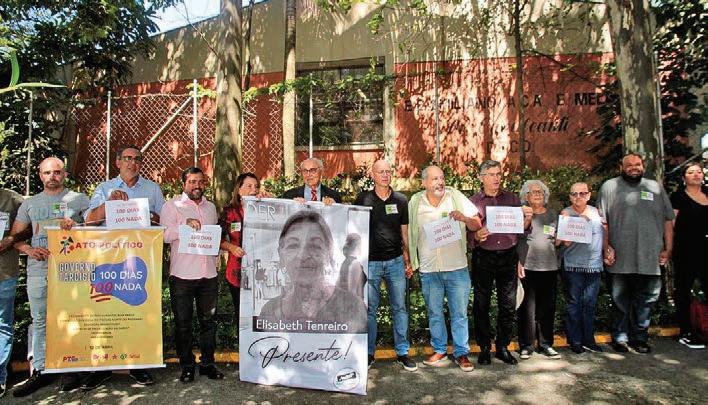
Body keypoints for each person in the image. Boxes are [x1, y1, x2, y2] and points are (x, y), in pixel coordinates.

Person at [81, 145, 164, 390]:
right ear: (117, 162)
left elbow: (164, 220)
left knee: (139, 310)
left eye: (137, 159)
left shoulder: (152, 189)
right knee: (106, 310)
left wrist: (147, 214)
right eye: (127, 158)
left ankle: (139, 365)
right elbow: (89, 221)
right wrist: (109, 203)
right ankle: (102, 368)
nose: (132, 163)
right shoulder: (104, 188)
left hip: (140, 260)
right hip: (108, 260)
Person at [10, 157, 90, 397]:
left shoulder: (79, 199)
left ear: (64, 174)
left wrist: (77, 227)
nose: (52, 177)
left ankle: (69, 369)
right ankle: (41, 370)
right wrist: (29, 250)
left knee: (72, 318)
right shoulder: (30, 203)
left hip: (71, 270)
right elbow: (15, 237)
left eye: (57, 172)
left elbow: (97, 231)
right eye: (47, 173)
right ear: (40, 175)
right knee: (40, 320)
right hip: (39, 270)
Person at [598, 153, 675, 354]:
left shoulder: (655, 188)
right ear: (621, 167)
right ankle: (620, 338)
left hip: (651, 258)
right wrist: (606, 247)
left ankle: (640, 338)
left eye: (638, 164)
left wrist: (668, 249)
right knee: (620, 301)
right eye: (629, 165)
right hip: (620, 258)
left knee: (646, 301)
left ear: (643, 166)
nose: (634, 167)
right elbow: (602, 222)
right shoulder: (609, 187)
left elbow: (668, 220)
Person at [408, 165, 481, 372]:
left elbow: (476, 224)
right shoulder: (415, 202)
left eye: (442, 178)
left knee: (459, 314)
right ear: (424, 183)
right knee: (434, 313)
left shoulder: (455, 196)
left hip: (456, 267)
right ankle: (439, 349)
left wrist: (464, 218)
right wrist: (409, 258)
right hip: (429, 269)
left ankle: (461, 353)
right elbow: (407, 231)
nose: (440, 182)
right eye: (434, 179)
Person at [161, 167, 224, 383]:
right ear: (184, 184)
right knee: (183, 324)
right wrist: (184, 226)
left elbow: (213, 236)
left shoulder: (210, 207)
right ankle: (187, 366)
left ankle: (208, 364)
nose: (197, 186)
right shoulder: (171, 206)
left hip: (208, 274)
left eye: (200, 181)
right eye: (192, 182)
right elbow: (164, 235)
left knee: (209, 322)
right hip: (182, 275)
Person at [354, 159, 416, 372]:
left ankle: (402, 352)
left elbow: (404, 232)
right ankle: (369, 353)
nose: (385, 175)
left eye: (388, 171)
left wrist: (408, 260)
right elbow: (354, 228)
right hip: (370, 263)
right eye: (381, 172)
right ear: (373, 175)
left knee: (399, 308)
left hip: (396, 262)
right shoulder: (363, 199)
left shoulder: (401, 200)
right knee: (370, 310)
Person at [259, 211, 367, 332]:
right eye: (293, 245)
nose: (303, 255)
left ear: (329, 253)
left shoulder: (353, 308)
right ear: (281, 255)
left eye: (315, 246)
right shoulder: (269, 311)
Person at [470, 160, 532, 366]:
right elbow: (467, 233)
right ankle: (484, 347)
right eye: (491, 174)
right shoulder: (474, 202)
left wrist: (527, 220)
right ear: (482, 178)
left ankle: (503, 346)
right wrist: (476, 236)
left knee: (508, 304)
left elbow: (522, 231)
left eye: (498, 174)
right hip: (484, 257)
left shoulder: (512, 199)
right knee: (481, 304)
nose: (496, 178)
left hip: (508, 256)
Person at [558, 182, 606, 354]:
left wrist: (607, 249)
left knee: (590, 304)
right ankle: (575, 340)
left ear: (589, 195)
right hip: (573, 266)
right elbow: (564, 242)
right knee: (574, 303)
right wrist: (578, 224)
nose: (578, 197)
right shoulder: (565, 213)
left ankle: (589, 340)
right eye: (574, 194)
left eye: (582, 193)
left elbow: (605, 233)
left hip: (594, 265)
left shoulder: (597, 212)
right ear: (570, 196)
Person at [516, 180, 561, 360]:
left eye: (540, 191)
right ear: (525, 196)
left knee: (547, 308)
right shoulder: (521, 214)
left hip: (549, 266)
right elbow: (516, 238)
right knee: (526, 309)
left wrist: (565, 237)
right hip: (527, 266)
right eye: (532, 192)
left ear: (545, 195)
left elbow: (557, 241)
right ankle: (526, 346)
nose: (537, 194)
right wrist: (518, 262)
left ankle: (546, 344)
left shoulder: (553, 215)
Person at [670, 162, 707, 349]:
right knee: (683, 290)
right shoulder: (678, 197)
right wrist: (668, 246)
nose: (696, 175)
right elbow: (671, 223)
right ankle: (686, 332)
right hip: (686, 250)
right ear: (684, 177)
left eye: (699, 172)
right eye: (691, 172)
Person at [219, 172, 262, 331]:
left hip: (261, 272)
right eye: (249, 186)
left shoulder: (265, 208)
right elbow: (217, 238)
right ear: (239, 189)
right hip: (237, 272)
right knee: (241, 315)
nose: (253, 190)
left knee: (260, 313)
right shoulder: (229, 212)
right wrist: (231, 248)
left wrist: (270, 201)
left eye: (256, 186)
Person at [0, 188, 30, 397]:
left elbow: (32, 225)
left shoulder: (12, 199)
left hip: (4, 274)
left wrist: (12, 239)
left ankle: (0, 376)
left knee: (2, 325)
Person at [337, 233, 366, 300]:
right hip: (353, 303)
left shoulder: (345, 263)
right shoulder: (355, 264)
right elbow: (351, 291)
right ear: (357, 245)